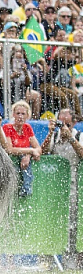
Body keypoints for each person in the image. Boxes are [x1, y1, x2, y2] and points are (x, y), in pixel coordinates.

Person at [42, 108, 83, 253]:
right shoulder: (54, 136)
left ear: (74, 123)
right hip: (54, 186)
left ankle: (72, 253)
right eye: (61, 124)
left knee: (72, 222)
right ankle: (50, 254)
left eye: (68, 125)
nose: (64, 128)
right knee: (52, 220)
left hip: (73, 186)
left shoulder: (79, 136)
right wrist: (50, 132)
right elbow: (43, 152)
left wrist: (70, 138)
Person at [2, 100, 41, 198]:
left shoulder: (27, 128)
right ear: (13, 115)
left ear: (27, 116)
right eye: (18, 113)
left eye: (23, 114)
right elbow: (9, 149)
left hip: (23, 162)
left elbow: (38, 148)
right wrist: (30, 151)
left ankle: (26, 189)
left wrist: (28, 155)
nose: (20, 116)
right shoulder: (7, 127)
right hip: (10, 161)